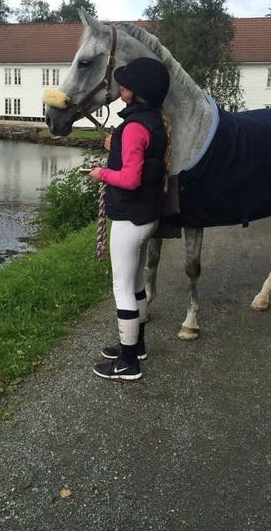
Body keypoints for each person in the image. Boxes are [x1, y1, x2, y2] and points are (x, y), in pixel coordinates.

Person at [86, 57, 170, 381]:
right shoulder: (152, 121)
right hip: (146, 215)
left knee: (121, 286)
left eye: (127, 85)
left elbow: (131, 179)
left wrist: (101, 174)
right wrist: (115, 145)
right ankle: (137, 345)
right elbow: (138, 157)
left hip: (130, 218)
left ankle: (127, 363)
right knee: (135, 285)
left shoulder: (134, 127)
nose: (121, 87)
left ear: (140, 92)